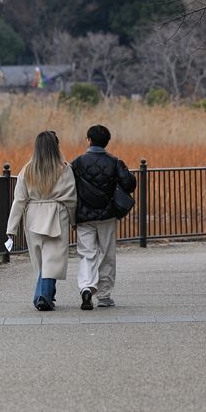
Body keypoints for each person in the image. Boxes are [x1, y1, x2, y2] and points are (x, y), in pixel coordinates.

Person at [7, 131, 78, 311]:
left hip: (33, 216)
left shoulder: (27, 170)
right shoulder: (64, 168)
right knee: (52, 260)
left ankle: (46, 296)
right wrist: (73, 219)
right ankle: (42, 297)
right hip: (56, 213)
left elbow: (19, 200)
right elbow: (71, 197)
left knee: (42, 261)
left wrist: (11, 228)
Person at [71, 124, 137, 308]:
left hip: (84, 216)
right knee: (107, 254)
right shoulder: (115, 162)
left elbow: (70, 190)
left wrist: (72, 217)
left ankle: (86, 287)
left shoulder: (77, 163)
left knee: (87, 253)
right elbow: (129, 184)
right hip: (107, 215)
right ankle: (104, 295)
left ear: (89, 140)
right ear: (106, 142)